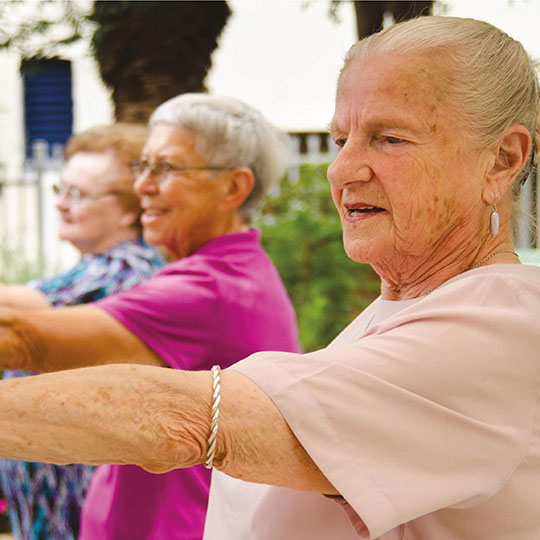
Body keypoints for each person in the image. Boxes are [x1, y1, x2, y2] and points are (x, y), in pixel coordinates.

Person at [0, 15, 537, 540]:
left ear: (501, 160)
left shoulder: (499, 329)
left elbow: (178, 419)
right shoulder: (410, 309)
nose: (343, 169)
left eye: (390, 139)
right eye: (340, 140)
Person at [0, 93, 299, 540]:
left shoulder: (209, 290)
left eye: (165, 169)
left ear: (233, 187)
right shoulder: (224, 271)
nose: (142, 185)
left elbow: (27, 340)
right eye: (143, 166)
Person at [0, 123, 165, 540]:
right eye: (61, 188)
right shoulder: (94, 266)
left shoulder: (127, 270)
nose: (59, 203)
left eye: (77, 194)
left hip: (85, 511)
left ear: (129, 208)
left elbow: (13, 312)